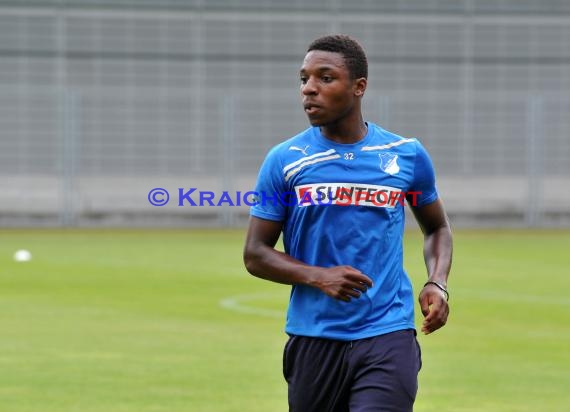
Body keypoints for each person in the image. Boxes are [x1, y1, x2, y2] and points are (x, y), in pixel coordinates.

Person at [243, 34, 452, 412]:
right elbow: (255, 254)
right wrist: (318, 276)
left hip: (388, 333)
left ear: (359, 87)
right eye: (303, 79)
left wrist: (437, 281)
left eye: (324, 78)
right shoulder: (284, 161)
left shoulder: (405, 156)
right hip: (314, 338)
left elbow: (436, 228)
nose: (309, 89)